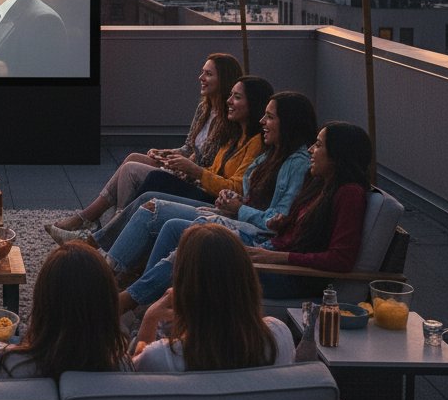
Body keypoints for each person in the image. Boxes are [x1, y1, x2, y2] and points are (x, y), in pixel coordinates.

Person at [105, 91, 317, 313]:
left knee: (161, 212)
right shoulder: (268, 154)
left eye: (270, 117)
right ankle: (125, 286)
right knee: (152, 205)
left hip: (249, 229)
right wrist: (233, 199)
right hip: (232, 213)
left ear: (290, 123)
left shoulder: (295, 164)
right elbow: (247, 193)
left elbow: (276, 221)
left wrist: (237, 205)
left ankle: (132, 298)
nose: (263, 121)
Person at [46, 54, 242, 242]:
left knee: (130, 171)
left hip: (195, 179)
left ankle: (106, 226)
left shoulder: (229, 120)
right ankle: (95, 221)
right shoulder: (204, 108)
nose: (201, 78)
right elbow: (189, 147)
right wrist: (167, 153)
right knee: (133, 158)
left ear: (224, 79)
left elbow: (206, 163)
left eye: (208, 74)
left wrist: (180, 163)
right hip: (186, 169)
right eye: (202, 72)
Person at [133, 224, 295, 372]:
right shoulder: (279, 337)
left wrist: (149, 320)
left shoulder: (161, 358)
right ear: (248, 281)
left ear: (185, 284)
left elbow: (135, 387)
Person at [245, 121, 372, 298]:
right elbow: (307, 232)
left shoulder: (349, 194)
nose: (310, 149)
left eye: (318, 145)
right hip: (276, 253)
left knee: (212, 266)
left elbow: (341, 259)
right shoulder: (320, 184)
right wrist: (283, 225)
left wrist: (279, 258)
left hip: (295, 276)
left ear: (338, 155)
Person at [0, 241, 133, 380]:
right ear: (109, 305)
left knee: (1, 344)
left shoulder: (0, 364)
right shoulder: (122, 366)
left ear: (41, 303)